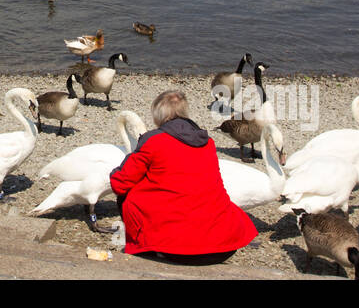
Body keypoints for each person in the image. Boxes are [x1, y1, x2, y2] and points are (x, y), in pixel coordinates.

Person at [109, 90, 256, 263]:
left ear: (158, 116)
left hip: (177, 248)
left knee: (128, 194)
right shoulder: (207, 142)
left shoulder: (154, 141)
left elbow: (120, 183)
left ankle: (150, 244)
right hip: (223, 246)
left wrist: (126, 162)